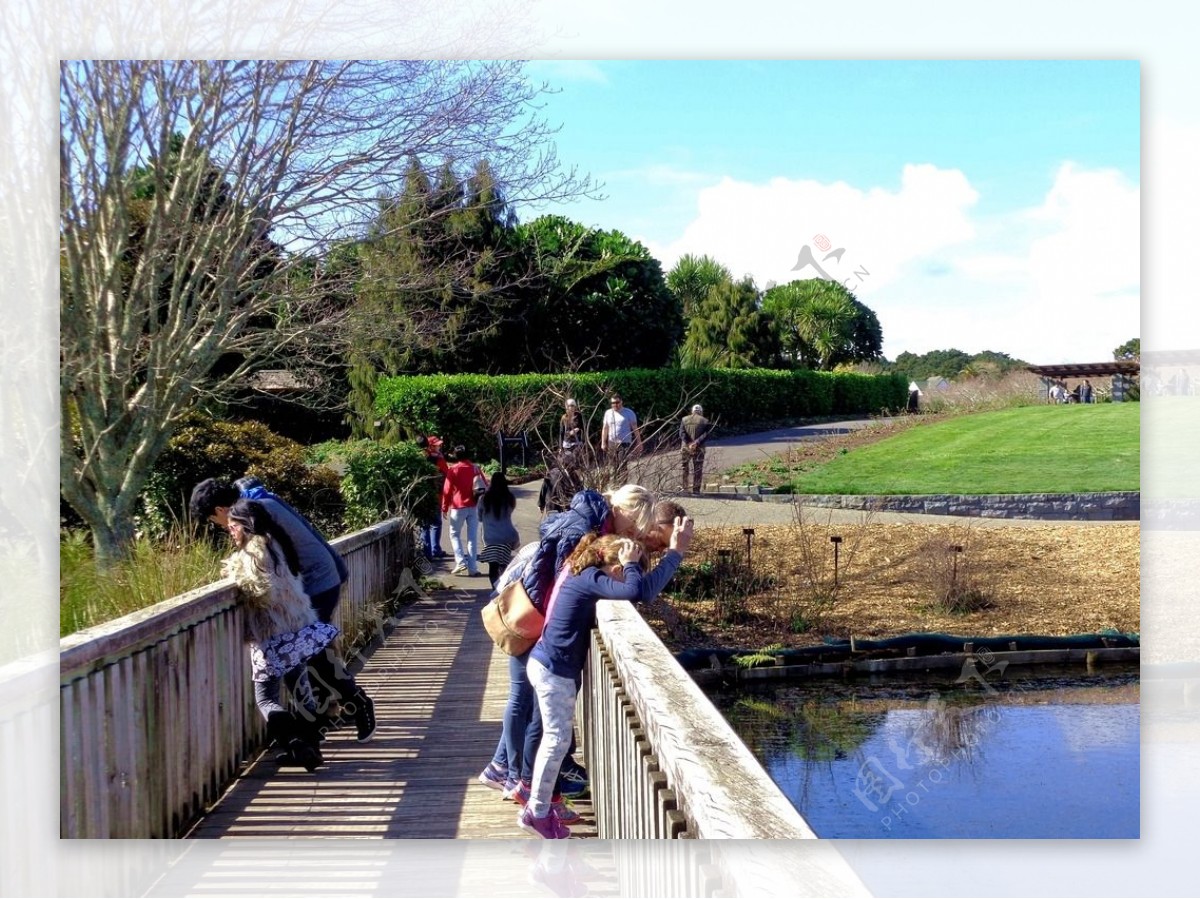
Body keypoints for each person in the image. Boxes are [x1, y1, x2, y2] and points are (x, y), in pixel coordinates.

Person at [478, 484, 659, 807]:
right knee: (525, 703)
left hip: (540, 618)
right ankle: (517, 777)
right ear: (622, 511)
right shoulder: (588, 528)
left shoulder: (591, 520)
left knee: (524, 701)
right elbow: (569, 577)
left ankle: (505, 769)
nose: (632, 533)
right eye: (633, 525)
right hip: (539, 619)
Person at [519, 523, 689, 838]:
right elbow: (634, 591)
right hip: (553, 671)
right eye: (625, 570)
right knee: (556, 740)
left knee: (556, 740)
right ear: (613, 567)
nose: (628, 575)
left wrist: (675, 553)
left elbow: (644, 590)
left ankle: (542, 805)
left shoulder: (587, 573)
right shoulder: (590, 578)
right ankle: (536, 811)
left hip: (551, 666)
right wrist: (629, 566)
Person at [220, 500, 377, 772]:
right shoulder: (277, 544)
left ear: (245, 526)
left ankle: (296, 742)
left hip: (273, 635)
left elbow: (257, 589)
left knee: (266, 698)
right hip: (300, 629)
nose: (230, 532)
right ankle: (311, 747)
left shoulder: (253, 554)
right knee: (300, 686)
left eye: (232, 527)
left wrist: (232, 572)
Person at [190, 478, 348, 624]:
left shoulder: (250, 514)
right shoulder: (261, 503)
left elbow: (256, 560)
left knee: (311, 646)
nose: (221, 526)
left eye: (214, 520)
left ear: (219, 510)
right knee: (318, 642)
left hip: (316, 583)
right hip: (324, 577)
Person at [433, 445, 487, 577]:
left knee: (455, 535)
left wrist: (444, 507)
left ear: (456, 456)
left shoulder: (454, 470)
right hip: (473, 506)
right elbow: (485, 485)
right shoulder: (475, 468)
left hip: (458, 507)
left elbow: (447, 490)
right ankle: (473, 568)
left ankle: (460, 561)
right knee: (472, 538)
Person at [478, 472, 521, 588]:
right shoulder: (509, 497)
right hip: (507, 536)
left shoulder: (484, 499)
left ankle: (495, 590)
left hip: (491, 538)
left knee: (493, 567)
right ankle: (504, 589)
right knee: (504, 566)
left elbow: (479, 517)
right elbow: (510, 511)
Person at [415, 435, 447, 561]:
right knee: (435, 523)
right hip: (435, 495)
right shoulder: (437, 459)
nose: (439, 447)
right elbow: (446, 474)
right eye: (437, 445)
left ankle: (427, 553)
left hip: (420, 496)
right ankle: (435, 550)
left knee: (425, 526)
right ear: (430, 445)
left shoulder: (415, 458)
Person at [599, 394, 642, 472]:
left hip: (624, 443)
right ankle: (616, 483)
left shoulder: (629, 413)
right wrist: (603, 443)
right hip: (611, 443)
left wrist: (639, 442)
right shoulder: (608, 413)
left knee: (622, 465)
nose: (615, 405)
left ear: (621, 402)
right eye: (613, 403)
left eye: (617, 402)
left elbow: (635, 428)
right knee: (614, 466)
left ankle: (623, 483)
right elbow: (605, 428)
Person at [679, 404, 712, 494]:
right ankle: (696, 490)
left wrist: (689, 443)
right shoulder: (705, 421)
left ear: (692, 411)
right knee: (698, 469)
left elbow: (681, 433)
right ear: (701, 412)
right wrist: (696, 443)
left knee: (684, 468)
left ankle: (685, 488)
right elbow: (706, 435)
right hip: (699, 448)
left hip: (685, 447)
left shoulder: (684, 419)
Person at [538, 451, 582, 516]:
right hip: (567, 507)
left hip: (552, 506)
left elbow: (544, 488)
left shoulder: (551, 473)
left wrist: (541, 504)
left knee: (553, 523)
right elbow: (580, 491)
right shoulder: (573, 475)